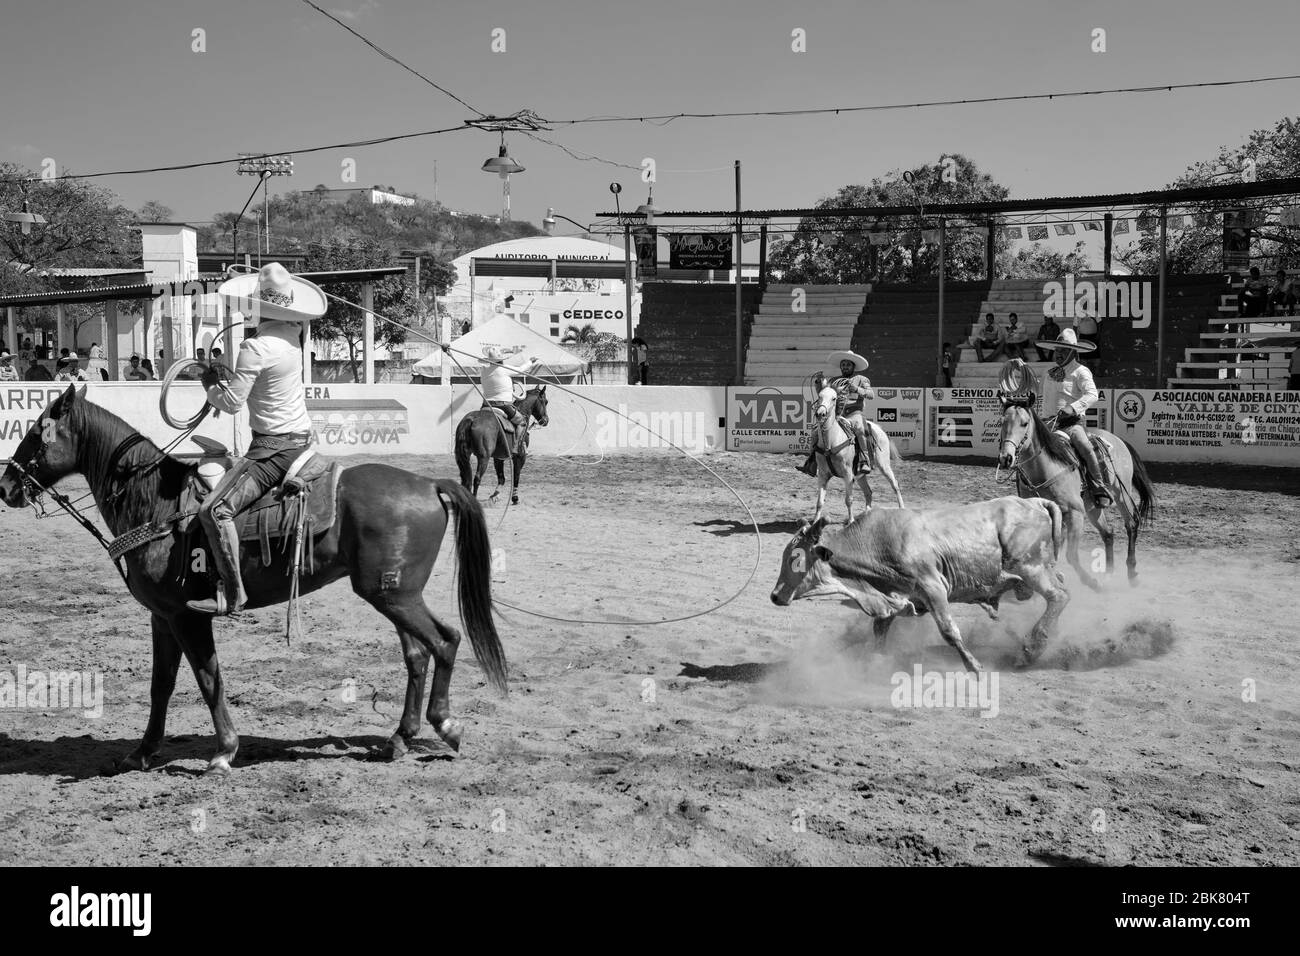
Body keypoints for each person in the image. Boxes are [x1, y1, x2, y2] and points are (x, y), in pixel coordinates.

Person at [186, 262, 329, 617]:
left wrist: (208, 382)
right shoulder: (294, 337)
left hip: (273, 450)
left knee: (214, 509)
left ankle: (232, 593)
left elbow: (232, 403)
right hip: (300, 440)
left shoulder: (256, 346)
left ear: (257, 307)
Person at [1033, 327, 1112, 508]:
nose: (1058, 354)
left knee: (1085, 446)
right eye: (1057, 350)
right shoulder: (1048, 372)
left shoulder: (1081, 371)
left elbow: (1092, 394)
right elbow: (1042, 396)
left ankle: (1099, 487)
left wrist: (1073, 407)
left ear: (1073, 352)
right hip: (1047, 424)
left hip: (1071, 424)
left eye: (1063, 350)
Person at [797, 350, 874, 477]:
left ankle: (864, 461)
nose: (845, 367)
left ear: (853, 366)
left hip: (855, 414)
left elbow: (871, 394)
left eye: (848, 364)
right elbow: (825, 395)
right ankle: (811, 463)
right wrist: (819, 383)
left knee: (860, 430)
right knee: (816, 430)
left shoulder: (862, 379)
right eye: (843, 364)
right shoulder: (834, 381)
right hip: (838, 415)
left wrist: (857, 389)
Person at [477, 345, 540, 449]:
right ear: (501, 360)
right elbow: (520, 369)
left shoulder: (483, 372)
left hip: (486, 405)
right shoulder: (504, 369)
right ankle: (515, 447)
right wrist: (530, 362)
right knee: (522, 422)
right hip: (503, 406)